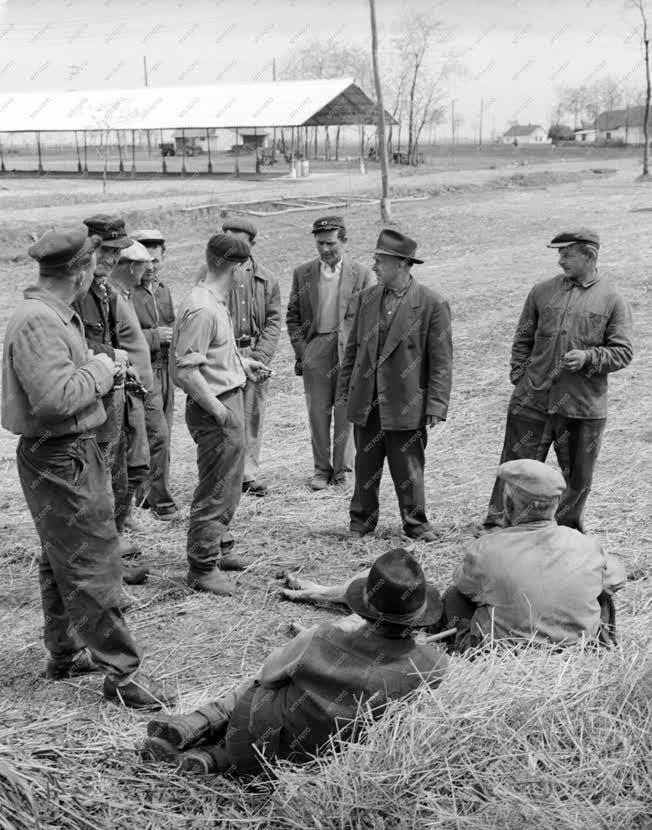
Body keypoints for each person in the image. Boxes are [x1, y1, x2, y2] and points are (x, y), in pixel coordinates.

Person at [1, 227, 175, 709]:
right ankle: (122, 674)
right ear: (78, 272)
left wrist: (102, 364)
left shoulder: (51, 314)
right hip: (62, 454)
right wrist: (103, 368)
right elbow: (55, 399)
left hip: (67, 452)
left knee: (59, 556)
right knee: (94, 559)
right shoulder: (40, 321)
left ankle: (64, 650)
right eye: (91, 267)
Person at [139, 548, 449, 776]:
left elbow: (268, 677)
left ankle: (201, 722)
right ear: (419, 617)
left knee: (265, 685)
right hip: (324, 767)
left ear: (363, 607)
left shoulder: (323, 636)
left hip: (257, 739)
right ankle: (211, 758)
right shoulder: (434, 666)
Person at [484, 229, 633, 533]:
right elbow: (523, 337)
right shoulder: (541, 291)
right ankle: (500, 526)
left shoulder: (612, 299)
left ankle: (566, 535)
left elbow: (623, 351)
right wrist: (520, 377)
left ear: (589, 256)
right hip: (532, 401)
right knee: (516, 469)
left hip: (582, 406)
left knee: (577, 477)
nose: (560, 260)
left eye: (567, 254)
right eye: (559, 253)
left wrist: (590, 358)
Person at [337, 229, 453, 543]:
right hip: (367, 403)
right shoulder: (365, 300)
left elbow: (441, 362)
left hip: (407, 404)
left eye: (380, 261)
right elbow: (353, 351)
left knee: (409, 470)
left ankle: (416, 524)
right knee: (365, 466)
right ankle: (360, 523)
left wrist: (436, 406)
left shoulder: (432, 304)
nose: (374, 267)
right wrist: (346, 393)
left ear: (401, 264)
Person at [171, 233, 270, 597]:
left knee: (226, 484)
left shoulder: (210, 300)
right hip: (217, 406)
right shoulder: (203, 307)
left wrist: (242, 363)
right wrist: (218, 410)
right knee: (216, 488)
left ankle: (216, 549)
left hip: (228, 396)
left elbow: (209, 355)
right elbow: (185, 371)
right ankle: (201, 567)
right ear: (239, 267)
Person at [442, 459, 626, 649]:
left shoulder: (484, 549)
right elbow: (617, 579)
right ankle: (604, 642)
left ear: (508, 505)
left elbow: (465, 586)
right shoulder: (586, 544)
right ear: (556, 505)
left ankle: (447, 641)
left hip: (502, 651)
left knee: (454, 595)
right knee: (602, 594)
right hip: (576, 646)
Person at [286, 216, 375, 491]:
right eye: (320, 244)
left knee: (346, 412)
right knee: (318, 413)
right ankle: (321, 470)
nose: (325, 249)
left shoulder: (362, 274)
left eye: (331, 243)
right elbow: (293, 315)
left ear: (345, 241)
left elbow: (371, 320)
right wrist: (304, 351)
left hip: (349, 352)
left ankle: (343, 471)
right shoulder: (303, 273)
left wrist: (362, 357)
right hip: (317, 349)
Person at [73, 214, 143, 559]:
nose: (114, 260)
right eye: (109, 252)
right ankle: (97, 554)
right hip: (87, 398)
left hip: (111, 393)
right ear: (92, 249)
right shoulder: (76, 289)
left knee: (115, 471)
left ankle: (110, 543)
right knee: (93, 477)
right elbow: (74, 345)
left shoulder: (102, 290)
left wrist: (123, 364)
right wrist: (114, 354)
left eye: (119, 252)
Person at [196, 217, 281, 496]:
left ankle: (247, 475)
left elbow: (273, 320)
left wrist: (261, 355)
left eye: (240, 241)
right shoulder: (209, 274)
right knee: (226, 417)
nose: (232, 246)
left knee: (252, 416)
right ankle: (224, 475)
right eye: (227, 238)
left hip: (254, 353)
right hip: (223, 355)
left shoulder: (266, 278)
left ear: (252, 245)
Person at [130, 228, 179, 521]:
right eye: (146, 261)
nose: (151, 267)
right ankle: (160, 500)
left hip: (165, 371)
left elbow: (171, 324)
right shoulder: (125, 292)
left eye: (156, 261)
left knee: (165, 434)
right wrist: (154, 336)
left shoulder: (163, 289)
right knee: (154, 435)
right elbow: (121, 337)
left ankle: (146, 494)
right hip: (141, 373)